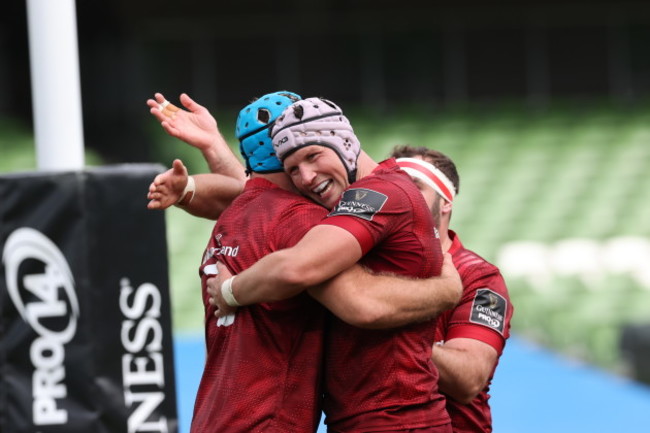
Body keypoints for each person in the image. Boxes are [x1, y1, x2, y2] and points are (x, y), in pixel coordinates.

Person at [147, 92, 462, 433]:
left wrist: (207, 159)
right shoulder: (301, 220)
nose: (307, 176)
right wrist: (445, 288)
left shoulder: (241, 216)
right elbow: (360, 301)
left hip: (221, 417)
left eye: (313, 155)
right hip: (280, 422)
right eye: (294, 166)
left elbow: (253, 191)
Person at [392, 145, 513, 433]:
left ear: (446, 201)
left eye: (414, 187)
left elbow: (468, 378)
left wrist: (380, 321)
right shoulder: (363, 267)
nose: (401, 198)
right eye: (394, 188)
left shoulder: (481, 279)